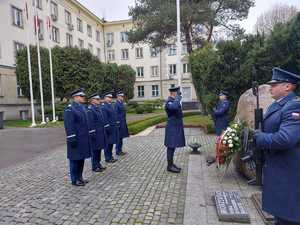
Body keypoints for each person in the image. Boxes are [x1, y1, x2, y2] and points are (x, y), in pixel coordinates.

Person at [254, 67, 300, 225]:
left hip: (288, 174)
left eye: (275, 84)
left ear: (287, 86)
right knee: (280, 217)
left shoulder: (294, 106)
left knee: (287, 218)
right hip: (278, 170)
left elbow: (286, 138)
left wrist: (260, 138)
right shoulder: (279, 105)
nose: (270, 88)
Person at [64, 88, 92, 186]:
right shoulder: (70, 109)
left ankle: (80, 178)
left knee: (81, 159)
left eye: (83, 96)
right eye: (81, 96)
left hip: (83, 139)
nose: (83, 97)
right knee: (74, 160)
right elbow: (69, 125)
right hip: (75, 139)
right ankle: (74, 180)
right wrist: (72, 138)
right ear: (75, 97)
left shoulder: (81, 107)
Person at [164, 86, 186, 173]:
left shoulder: (173, 101)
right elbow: (174, 108)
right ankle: (169, 166)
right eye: (177, 92)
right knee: (171, 146)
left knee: (173, 146)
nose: (179, 94)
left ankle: (171, 164)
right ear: (173, 93)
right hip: (172, 127)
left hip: (175, 127)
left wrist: (177, 99)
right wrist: (178, 98)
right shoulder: (169, 102)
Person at [87, 93, 108, 172]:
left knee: (99, 149)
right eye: (97, 99)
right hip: (95, 133)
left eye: (99, 99)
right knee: (95, 150)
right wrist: (92, 133)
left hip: (100, 133)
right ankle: (94, 166)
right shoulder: (90, 109)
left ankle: (98, 164)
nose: (99, 100)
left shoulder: (97, 108)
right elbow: (90, 123)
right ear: (92, 100)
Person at [101, 91, 119, 163]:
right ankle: (107, 157)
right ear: (105, 98)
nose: (110, 98)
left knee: (111, 143)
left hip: (113, 127)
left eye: (111, 97)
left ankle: (110, 156)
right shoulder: (103, 106)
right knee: (108, 144)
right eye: (109, 97)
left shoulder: (111, 105)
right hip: (108, 128)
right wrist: (107, 127)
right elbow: (105, 118)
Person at [115, 91, 129, 156]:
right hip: (119, 123)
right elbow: (116, 114)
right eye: (121, 96)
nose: (122, 97)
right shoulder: (116, 104)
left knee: (121, 137)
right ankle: (118, 151)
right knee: (118, 137)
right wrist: (118, 123)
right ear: (118, 96)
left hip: (123, 122)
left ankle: (120, 150)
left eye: (122, 96)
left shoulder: (121, 103)